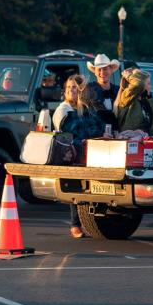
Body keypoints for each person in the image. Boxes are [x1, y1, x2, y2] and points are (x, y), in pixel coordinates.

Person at [53, 75, 105, 238]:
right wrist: (82, 142)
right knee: (76, 189)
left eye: (74, 87)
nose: (71, 90)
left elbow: (98, 127)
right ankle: (75, 224)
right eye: (68, 88)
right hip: (71, 155)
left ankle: (92, 223)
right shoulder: (63, 110)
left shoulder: (84, 109)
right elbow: (66, 135)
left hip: (91, 154)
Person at [114, 68, 153, 135]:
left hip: (148, 140)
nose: (150, 86)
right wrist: (129, 76)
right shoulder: (126, 98)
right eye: (148, 83)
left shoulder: (149, 102)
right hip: (131, 141)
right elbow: (138, 85)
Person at [85, 54, 120, 122]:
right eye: (99, 69)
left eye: (105, 69)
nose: (102, 72)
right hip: (97, 130)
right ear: (95, 72)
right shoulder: (89, 89)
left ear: (110, 70)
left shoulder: (118, 90)